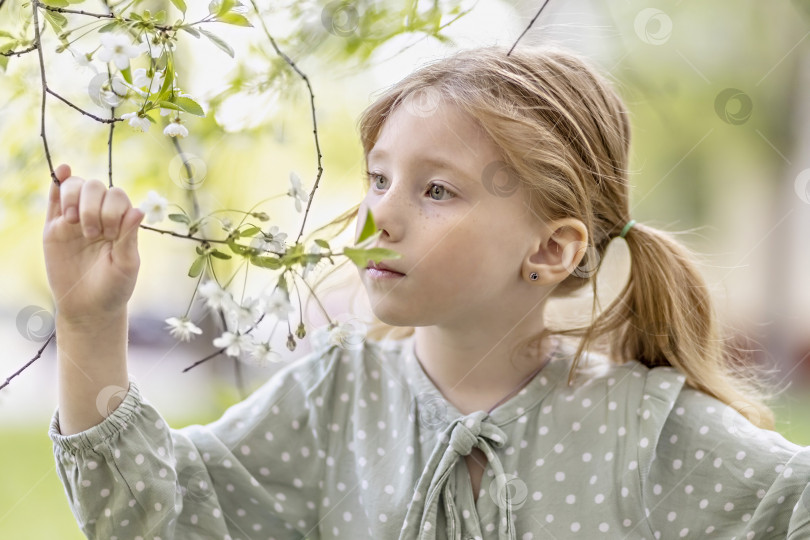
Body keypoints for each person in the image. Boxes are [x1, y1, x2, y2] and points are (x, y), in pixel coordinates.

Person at [43, 44, 809, 540]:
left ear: (550, 248)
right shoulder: (334, 397)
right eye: (379, 177)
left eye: (436, 189)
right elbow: (155, 511)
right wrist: (89, 324)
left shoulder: (642, 429)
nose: (380, 211)